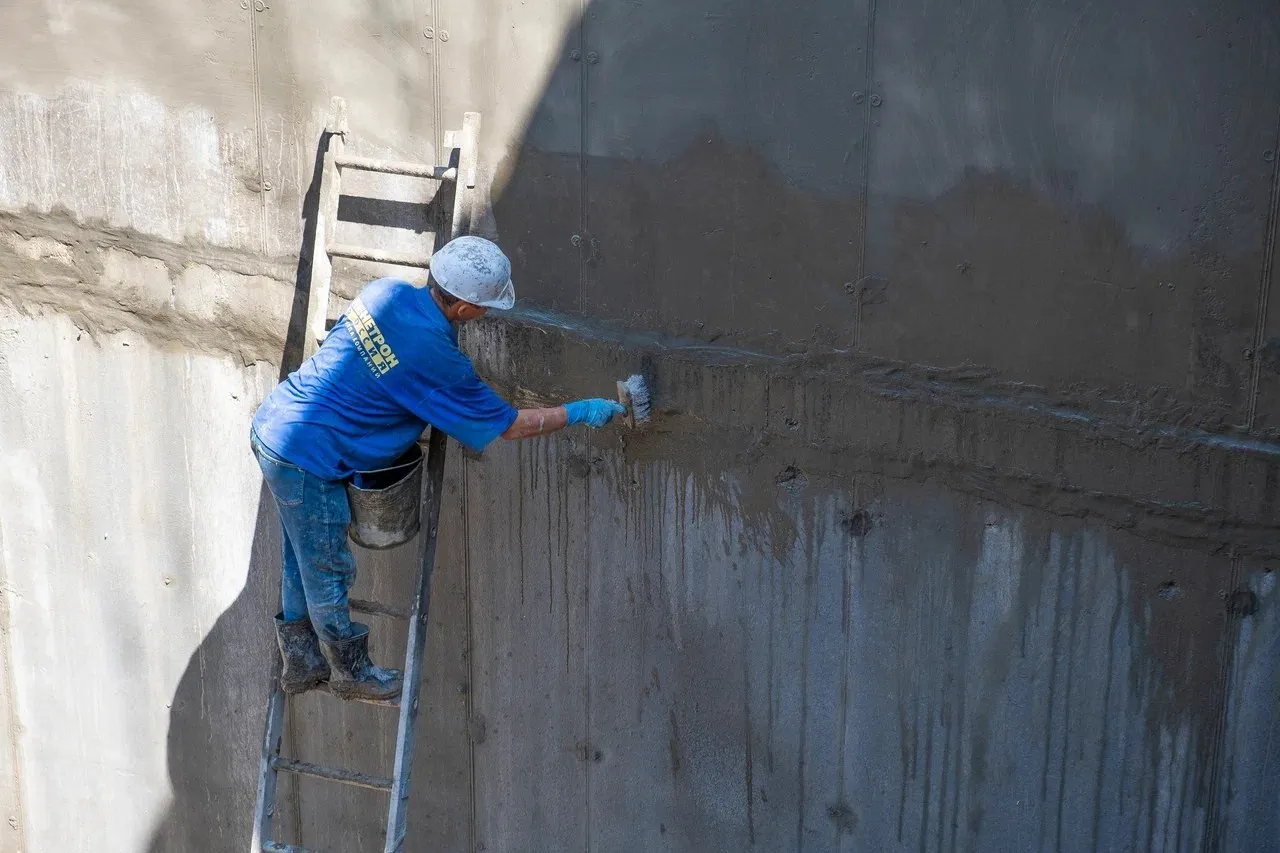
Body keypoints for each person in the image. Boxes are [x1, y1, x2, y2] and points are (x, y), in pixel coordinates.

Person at [250, 235, 624, 700]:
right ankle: (349, 672)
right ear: (465, 308)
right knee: (326, 565)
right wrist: (580, 411)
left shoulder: (383, 292)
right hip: (308, 456)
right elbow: (507, 426)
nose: (487, 314)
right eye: (486, 307)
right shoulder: (438, 360)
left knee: (299, 555)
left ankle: (302, 662)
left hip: (278, 422)